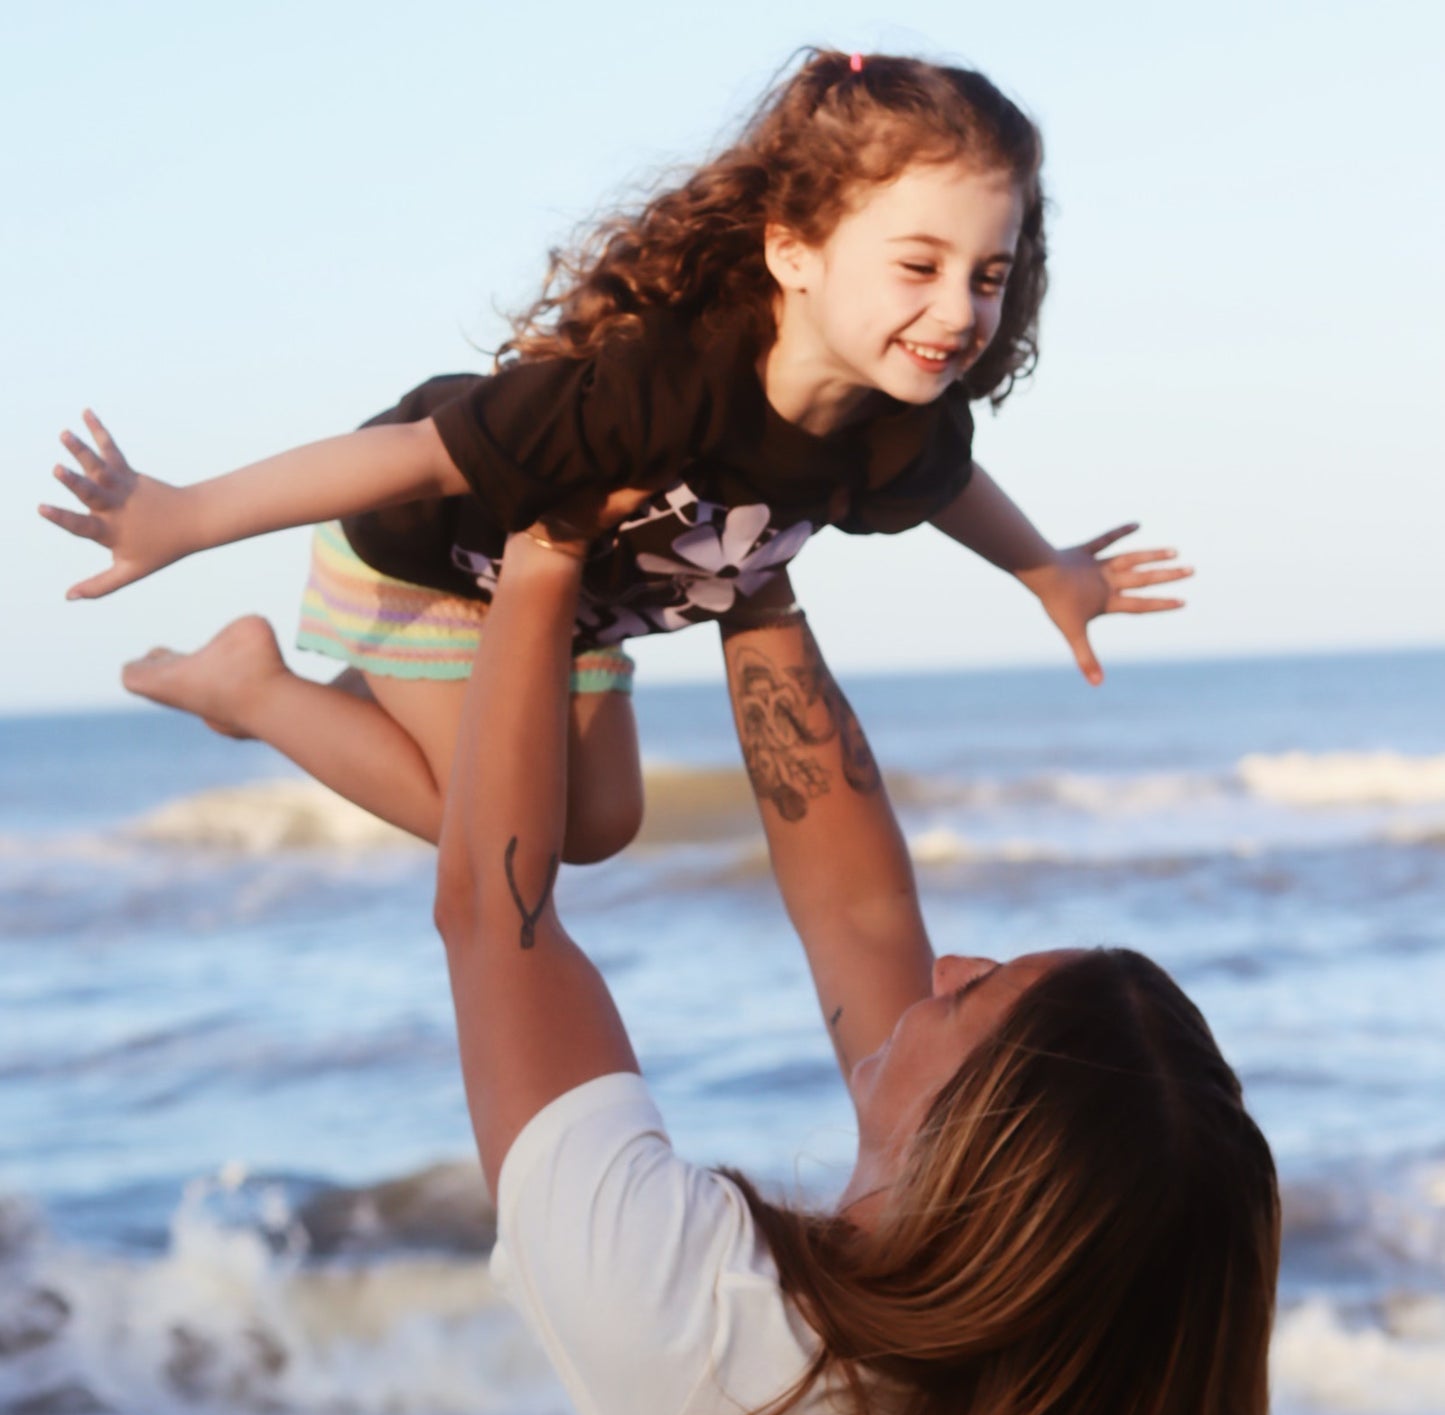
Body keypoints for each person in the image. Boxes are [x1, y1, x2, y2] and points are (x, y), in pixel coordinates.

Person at [434, 519, 1280, 1415]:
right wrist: (752, 575)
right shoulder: (1047, 1409)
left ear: (970, 1159)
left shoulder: (694, 1328)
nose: (943, 965)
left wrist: (542, 559)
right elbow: (863, 909)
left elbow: (497, 918)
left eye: (976, 989)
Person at [40, 51, 1191, 858]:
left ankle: (348, 696)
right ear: (793, 252)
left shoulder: (906, 419)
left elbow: (951, 491)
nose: (958, 311)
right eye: (918, 265)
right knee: (518, 835)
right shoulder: (662, 385)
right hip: (426, 566)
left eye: (986, 276)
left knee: (603, 827)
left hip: (570, 608)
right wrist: (183, 517)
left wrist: (1050, 571)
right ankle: (250, 686)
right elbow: (411, 456)